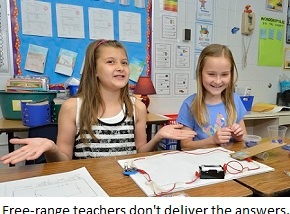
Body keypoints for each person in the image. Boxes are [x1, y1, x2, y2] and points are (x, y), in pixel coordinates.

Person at [0, 39, 195, 165]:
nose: (120, 67)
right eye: (110, 62)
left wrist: (158, 137)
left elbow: (140, 152)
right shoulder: (72, 108)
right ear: (94, 69)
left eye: (124, 62)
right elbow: (63, 162)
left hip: (125, 185)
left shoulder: (137, 107)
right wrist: (51, 148)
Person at [177, 44, 247, 150]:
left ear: (231, 75)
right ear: (200, 74)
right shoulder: (190, 104)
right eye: (211, 74)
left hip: (230, 162)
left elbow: (244, 138)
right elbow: (185, 145)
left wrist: (239, 137)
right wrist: (212, 140)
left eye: (224, 74)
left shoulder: (235, 100)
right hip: (201, 162)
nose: (218, 81)